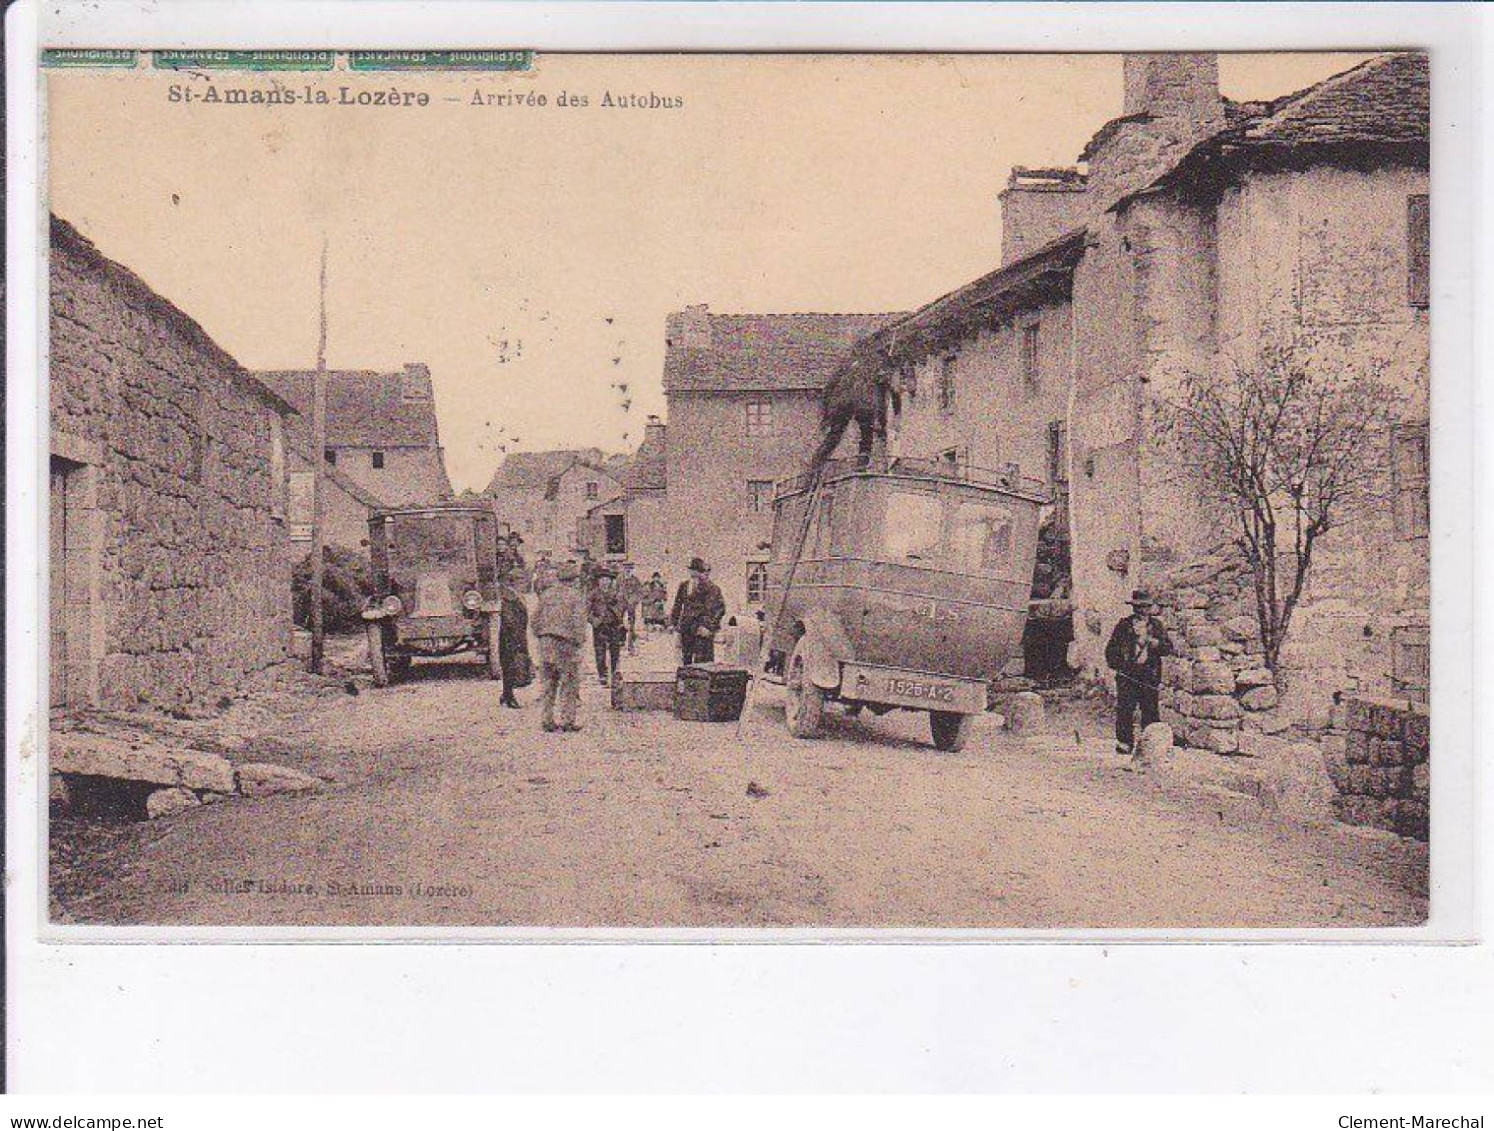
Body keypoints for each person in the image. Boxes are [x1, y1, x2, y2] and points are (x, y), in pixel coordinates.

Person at [1104, 588, 1172, 762]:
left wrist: (1155, 644)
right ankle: (1124, 743)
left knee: (1150, 708)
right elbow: (1111, 650)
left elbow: (1168, 648)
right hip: (1128, 674)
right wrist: (1119, 666)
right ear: (1134, 608)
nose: (1143, 610)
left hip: (1149, 674)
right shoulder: (1124, 625)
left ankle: (1150, 744)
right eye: (1139, 607)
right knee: (1125, 708)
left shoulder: (1156, 626)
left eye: (1146, 607)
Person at [533, 559, 587, 733]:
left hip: (546, 642)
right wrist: (579, 642)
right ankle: (567, 720)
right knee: (569, 682)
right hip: (566, 643)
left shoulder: (546, 595)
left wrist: (542, 636)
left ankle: (546, 719)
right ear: (573, 580)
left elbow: (534, 620)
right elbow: (578, 622)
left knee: (548, 683)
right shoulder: (576, 596)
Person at [670, 556, 726, 666]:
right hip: (686, 627)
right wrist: (674, 623)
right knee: (686, 658)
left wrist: (708, 627)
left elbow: (719, 609)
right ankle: (687, 681)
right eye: (692, 570)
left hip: (702, 628)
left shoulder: (712, 588)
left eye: (697, 571)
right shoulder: (684, 586)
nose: (695, 574)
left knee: (702, 661)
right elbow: (677, 605)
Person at [587, 568, 629, 687]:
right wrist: (594, 621)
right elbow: (586, 610)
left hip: (614, 624)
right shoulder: (593, 593)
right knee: (600, 651)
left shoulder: (616, 593)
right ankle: (602, 674)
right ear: (598, 581)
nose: (604, 581)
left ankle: (614, 672)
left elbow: (624, 605)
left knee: (615, 650)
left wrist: (619, 614)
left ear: (611, 581)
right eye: (602, 579)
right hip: (599, 626)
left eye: (607, 579)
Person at [497, 576, 530, 709]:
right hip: (510, 638)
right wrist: (518, 638)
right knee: (510, 666)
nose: (523, 585)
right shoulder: (510, 600)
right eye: (521, 582)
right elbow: (510, 621)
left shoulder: (516, 598)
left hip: (514, 636)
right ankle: (509, 697)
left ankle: (506, 694)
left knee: (509, 666)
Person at [616, 562, 645, 655]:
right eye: (626, 568)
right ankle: (619, 642)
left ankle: (631, 645)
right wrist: (617, 597)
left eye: (630, 569)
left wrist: (634, 600)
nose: (628, 570)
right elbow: (614, 590)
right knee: (618, 623)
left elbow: (640, 592)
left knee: (631, 626)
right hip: (620, 605)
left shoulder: (635, 580)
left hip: (631, 606)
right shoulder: (619, 579)